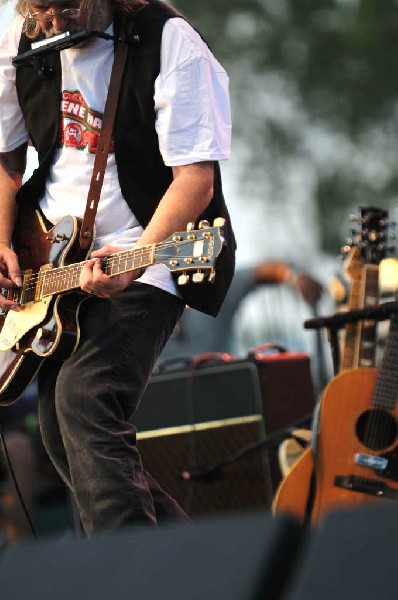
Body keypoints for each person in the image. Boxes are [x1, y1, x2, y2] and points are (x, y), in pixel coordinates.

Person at [0, 0, 235, 535]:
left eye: (68, 5)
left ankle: (124, 576)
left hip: (150, 250)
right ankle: (189, 564)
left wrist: (138, 257)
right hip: (47, 256)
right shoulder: (20, 37)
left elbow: (196, 180)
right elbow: (7, 159)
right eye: (43, 8)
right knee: (62, 431)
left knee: (86, 397)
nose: (55, 21)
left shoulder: (169, 39)